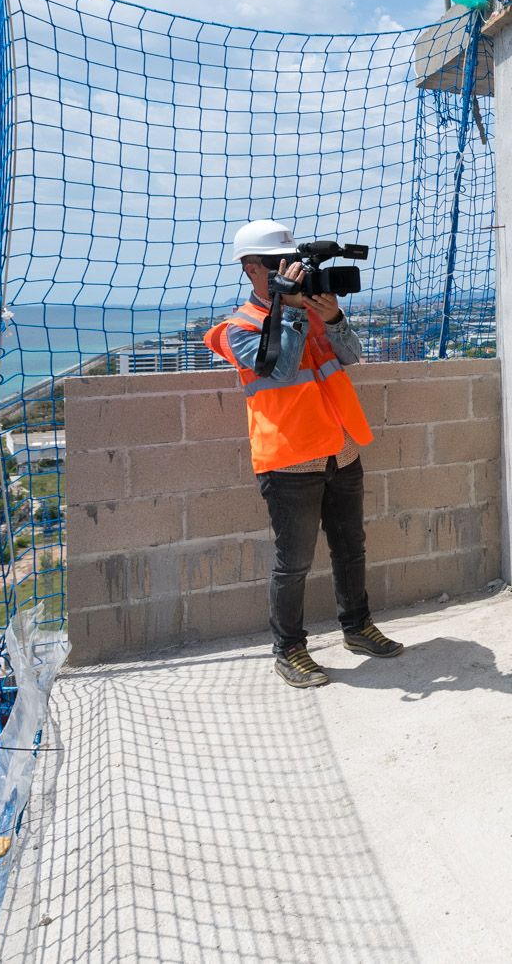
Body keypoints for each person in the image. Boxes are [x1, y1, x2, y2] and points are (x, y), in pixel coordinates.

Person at [204, 219, 404, 688]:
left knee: (350, 548)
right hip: (291, 459)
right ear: (252, 269)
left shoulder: (311, 312)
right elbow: (281, 367)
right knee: (292, 562)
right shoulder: (240, 328)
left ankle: (357, 627)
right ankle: (289, 650)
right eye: (278, 264)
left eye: (290, 262)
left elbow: (351, 355)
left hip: (341, 449)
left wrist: (332, 318)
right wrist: (291, 310)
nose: (289, 271)